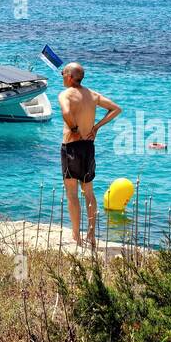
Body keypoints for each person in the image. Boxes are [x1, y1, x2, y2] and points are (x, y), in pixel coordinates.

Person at [57, 61, 121, 250]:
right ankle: (91, 235)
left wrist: (74, 128)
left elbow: (66, 112)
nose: (61, 76)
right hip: (88, 146)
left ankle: (76, 236)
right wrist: (96, 127)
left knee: (72, 193)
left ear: (69, 77)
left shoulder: (65, 94)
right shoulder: (92, 95)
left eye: (63, 74)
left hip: (71, 146)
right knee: (89, 192)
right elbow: (116, 109)